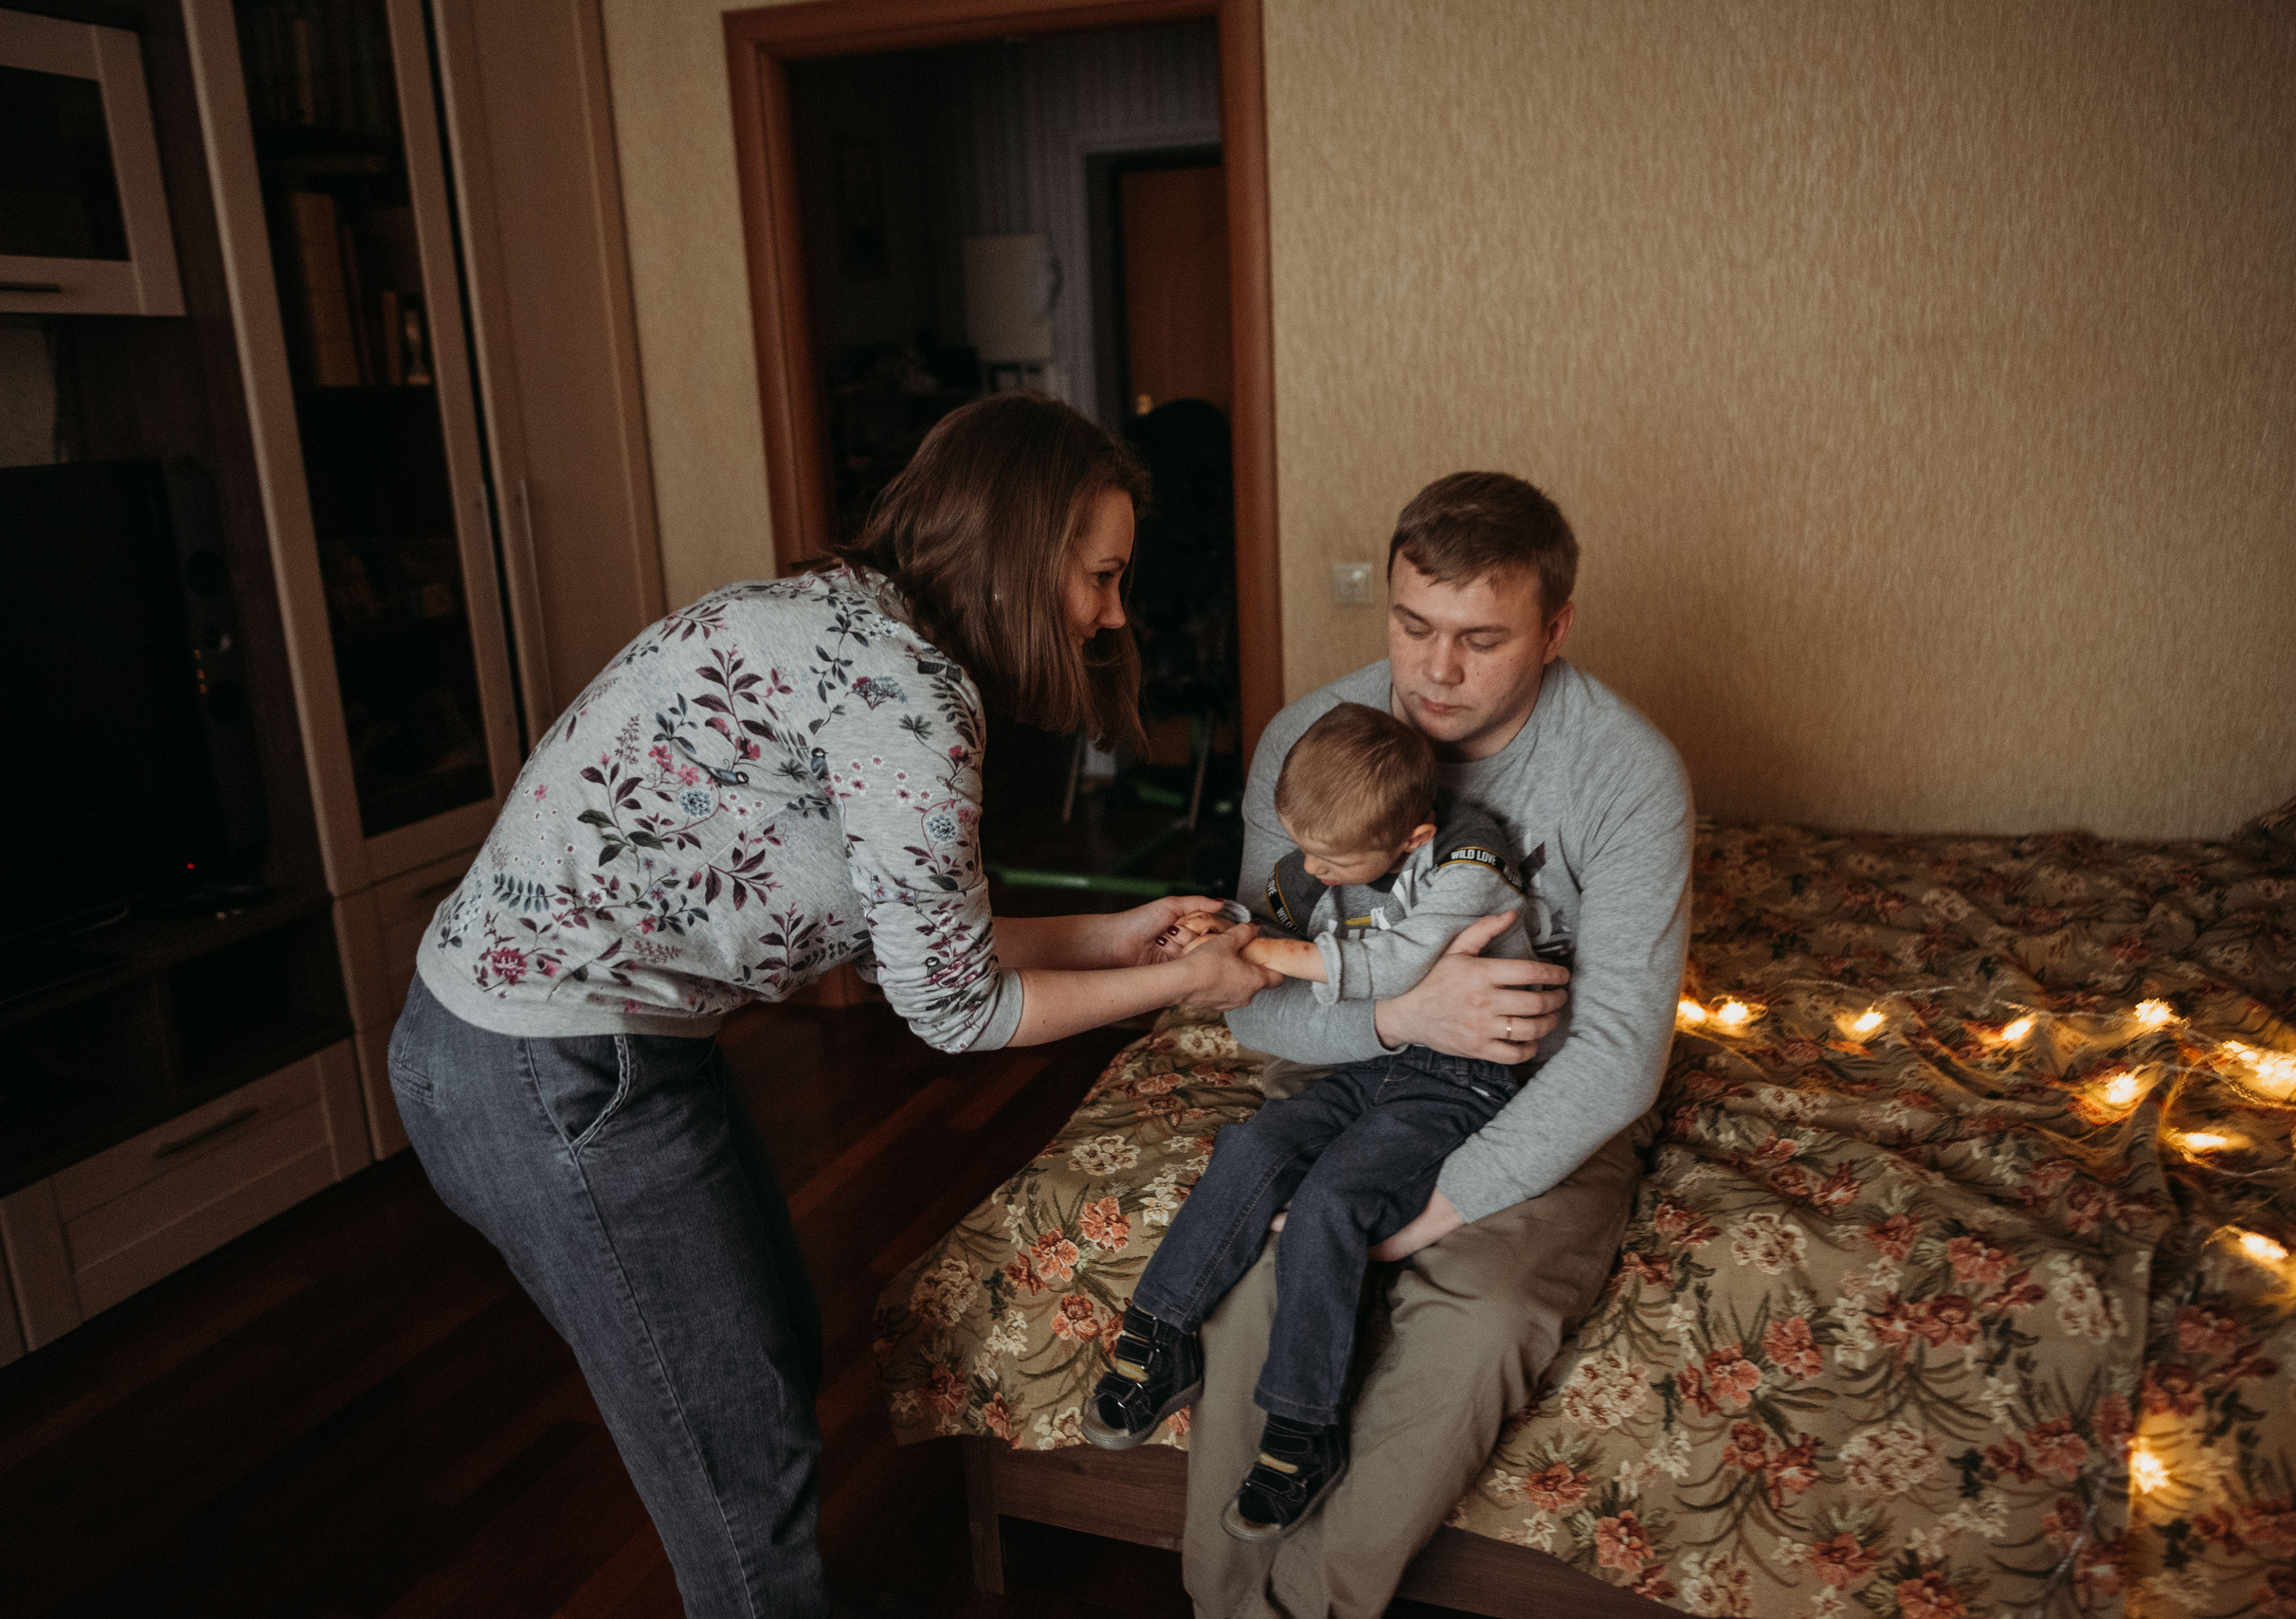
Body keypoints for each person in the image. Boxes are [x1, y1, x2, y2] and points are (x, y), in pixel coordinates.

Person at [386, 393, 1278, 1619]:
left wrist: (1116, 933)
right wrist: (1185, 981)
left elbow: (918, 940)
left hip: (558, 1039)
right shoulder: (912, 698)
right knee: (734, 1449)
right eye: (1101, 576)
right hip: (551, 1068)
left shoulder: (834, 616)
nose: (1114, 614)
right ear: (1019, 554)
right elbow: (955, 1011)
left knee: (771, 1347)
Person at [1165, 472, 1694, 1619]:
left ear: (1555, 628)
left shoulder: (1626, 769)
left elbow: (1616, 1053)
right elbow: (1250, 996)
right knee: (1250, 1276)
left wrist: (1426, 1215)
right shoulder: (1307, 739)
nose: (1434, 671)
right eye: (1411, 626)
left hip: (1534, 1087)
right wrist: (1402, 1016)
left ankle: (1304, 1608)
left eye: (1480, 639)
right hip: (1346, 1073)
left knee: (1483, 1313)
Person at [1080, 704, 1539, 1543]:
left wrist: (1262, 952)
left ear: (1411, 837)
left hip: (1461, 1076)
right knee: (1256, 1142)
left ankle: (1302, 1429)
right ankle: (1160, 1334)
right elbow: (1276, 920)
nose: (1315, 870)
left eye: (1334, 861)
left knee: (1331, 1200)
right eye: (1304, 848)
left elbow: (1397, 963)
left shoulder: (1468, 859)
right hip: (1373, 1056)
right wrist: (1225, 931)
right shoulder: (1321, 853)